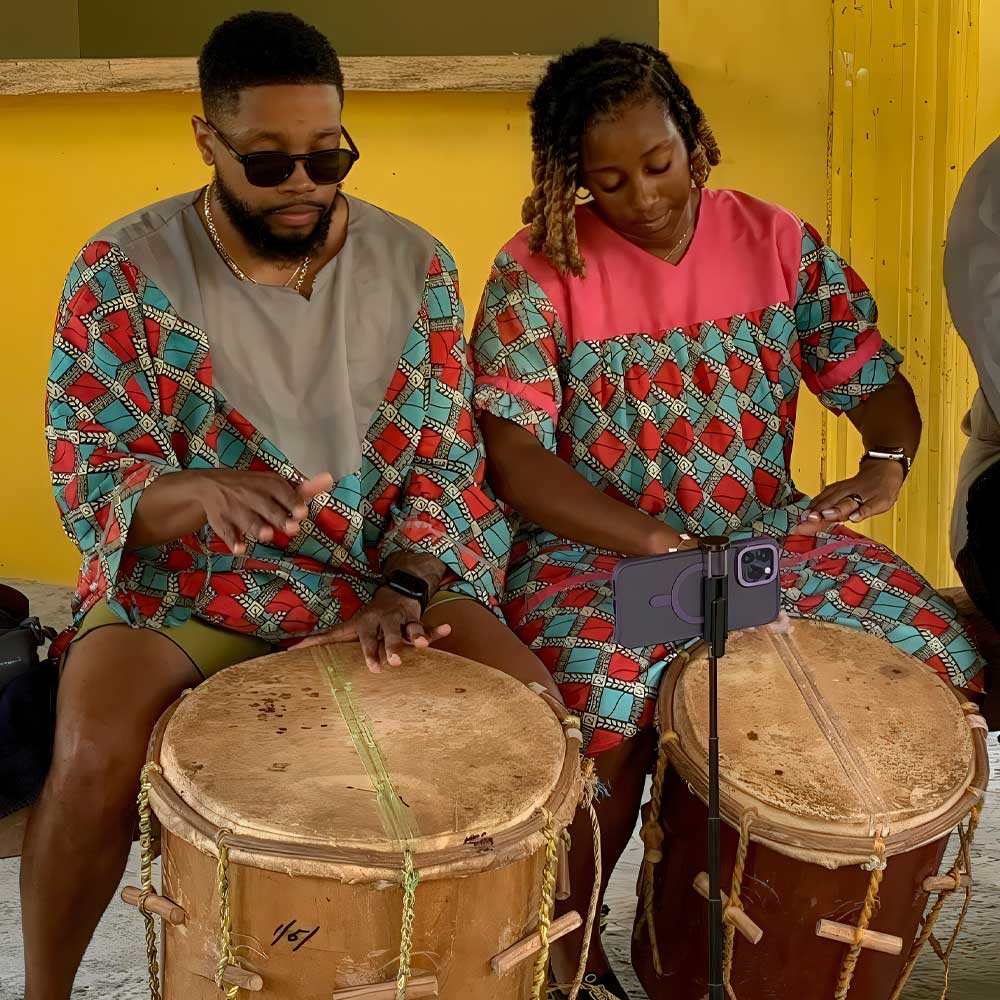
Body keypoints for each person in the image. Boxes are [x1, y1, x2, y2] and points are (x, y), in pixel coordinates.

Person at [23, 13, 554, 999]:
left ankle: (492, 973)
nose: (305, 182)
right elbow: (89, 467)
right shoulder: (123, 272)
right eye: (270, 164)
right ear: (207, 142)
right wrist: (192, 493)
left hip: (375, 580)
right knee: (91, 753)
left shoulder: (415, 268)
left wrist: (404, 580)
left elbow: (446, 468)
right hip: (199, 583)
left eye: (329, 155)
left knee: (537, 722)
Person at [470, 39, 985, 996]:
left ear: (694, 142)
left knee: (939, 652)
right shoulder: (537, 270)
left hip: (760, 538)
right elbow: (516, 460)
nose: (642, 197)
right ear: (568, 179)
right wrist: (656, 541)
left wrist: (883, 463)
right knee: (606, 703)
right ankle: (560, 953)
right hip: (600, 556)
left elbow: (871, 381)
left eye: (658, 164)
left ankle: (767, 940)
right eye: (607, 179)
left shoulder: (775, 241)